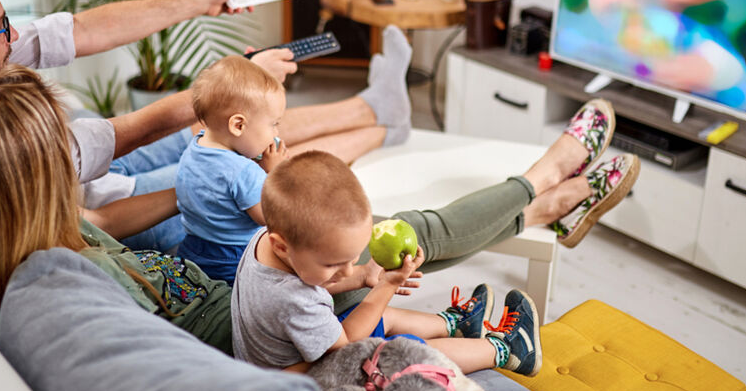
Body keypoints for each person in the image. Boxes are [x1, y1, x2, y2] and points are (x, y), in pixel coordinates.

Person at [0, 65, 639, 358]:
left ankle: (549, 195)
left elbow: (104, 223)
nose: (77, 154)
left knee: (390, 233)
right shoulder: (57, 282)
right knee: (405, 234)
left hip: (246, 277)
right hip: (260, 310)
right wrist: (297, 265)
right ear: (29, 179)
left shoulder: (29, 235)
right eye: (61, 146)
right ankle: (551, 183)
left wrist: (193, 186)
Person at [0, 0, 413, 252]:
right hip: (114, 205)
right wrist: (225, 98)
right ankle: (384, 128)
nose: (15, 36)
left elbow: (79, 30)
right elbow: (123, 138)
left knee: (238, 129)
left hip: (95, 169)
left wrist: (199, 2)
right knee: (247, 150)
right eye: (1, 29)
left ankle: (374, 106)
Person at [231, 150, 544, 377]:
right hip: (311, 386)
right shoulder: (294, 300)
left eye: (353, 258)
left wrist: (363, 277)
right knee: (402, 352)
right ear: (282, 245)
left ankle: (455, 325)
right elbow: (347, 346)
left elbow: (323, 286)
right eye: (334, 264)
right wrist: (386, 286)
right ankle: (508, 351)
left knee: (372, 313)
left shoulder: (265, 239)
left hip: (286, 361)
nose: (346, 270)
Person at [173, 55, 289, 283]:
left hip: (192, 249)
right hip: (234, 260)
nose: (276, 133)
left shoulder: (194, 148)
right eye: (273, 124)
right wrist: (274, 174)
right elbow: (268, 218)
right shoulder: (244, 171)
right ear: (238, 125)